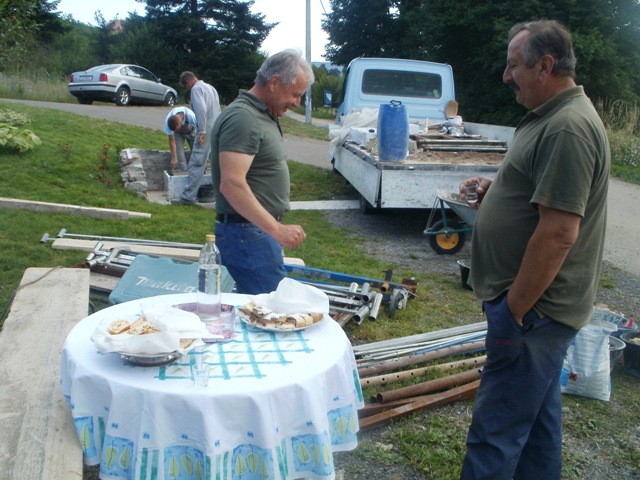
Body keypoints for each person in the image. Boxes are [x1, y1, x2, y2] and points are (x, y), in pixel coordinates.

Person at [458, 20, 610, 480]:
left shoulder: (568, 128)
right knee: (538, 429)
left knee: (495, 432)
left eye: (514, 65)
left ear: (545, 66)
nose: (506, 75)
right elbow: (542, 197)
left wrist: (514, 310)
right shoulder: (550, 116)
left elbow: (560, 232)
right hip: (536, 314)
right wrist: (497, 189)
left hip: (534, 312)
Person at [210, 49, 314, 294]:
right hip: (247, 234)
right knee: (273, 313)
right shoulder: (244, 118)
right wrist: (276, 230)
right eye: (295, 94)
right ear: (274, 83)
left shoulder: (260, 114)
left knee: (260, 311)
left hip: (254, 232)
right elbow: (231, 184)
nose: (297, 103)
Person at [171, 71, 221, 205]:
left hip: (206, 130)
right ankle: (222, 196)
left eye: (186, 87)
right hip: (216, 128)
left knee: (196, 163)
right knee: (217, 163)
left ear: (188, 82)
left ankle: (188, 198)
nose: (188, 89)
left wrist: (202, 131)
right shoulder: (211, 88)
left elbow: (200, 110)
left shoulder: (196, 89)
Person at [163, 106, 197, 172]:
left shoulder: (191, 116)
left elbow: (200, 130)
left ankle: (197, 173)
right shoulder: (168, 122)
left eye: (177, 128)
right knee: (180, 157)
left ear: (180, 123)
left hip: (191, 131)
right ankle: (183, 173)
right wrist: (174, 157)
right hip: (177, 135)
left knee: (197, 152)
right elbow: (172, 141)